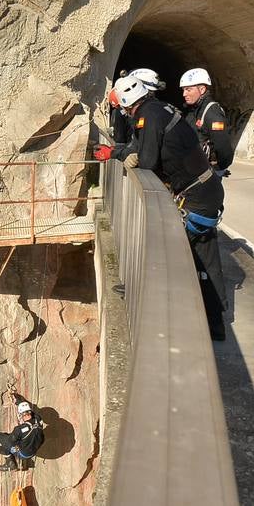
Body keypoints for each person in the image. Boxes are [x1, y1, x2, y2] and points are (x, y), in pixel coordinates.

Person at [95, 75, 230, 340]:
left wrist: (119, 154)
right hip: (202, 190)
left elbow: (145, 160)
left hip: (199, 196)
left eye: (121, 107)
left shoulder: (150, 116)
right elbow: (139, 147)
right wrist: (118, 152)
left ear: (125, 103)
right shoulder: (154, 110)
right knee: (204, 257)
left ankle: (172, 317)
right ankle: (215, 324)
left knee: (169, 251)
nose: (122, 112)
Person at [179, 67, 234, 170]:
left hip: (206, 170)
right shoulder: (193, 110)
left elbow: (223, 147)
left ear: (202, 89)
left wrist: (219, 169)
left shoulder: (211, 112)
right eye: (183, 90)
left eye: (188, 89)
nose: (184, 94)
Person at [0, 400, 45, 471]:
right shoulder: (38, 419)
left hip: (24, 454)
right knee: (14, 437)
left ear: (20, 415)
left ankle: (10, 463)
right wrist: (17, 401)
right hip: (33, 450)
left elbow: (10, 441)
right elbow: (31, 413)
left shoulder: (19, 430)